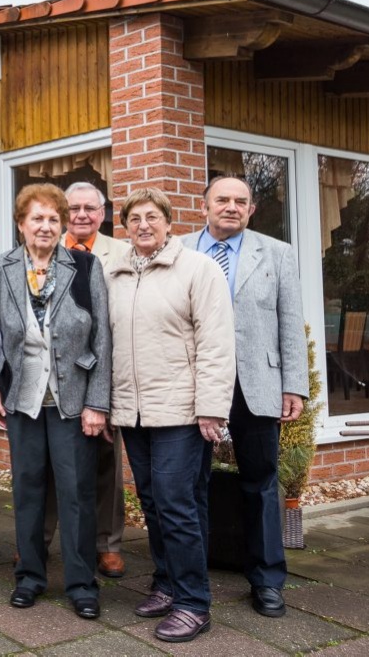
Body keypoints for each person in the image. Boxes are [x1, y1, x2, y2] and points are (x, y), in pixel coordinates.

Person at [0, 183, 112, 621]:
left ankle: (82, 584)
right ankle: (29, 577)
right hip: (23, 400)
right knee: (27, 493)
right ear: (21, 224)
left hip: (73, 401)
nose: (45, 226)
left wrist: (97, 403)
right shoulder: (0, 268)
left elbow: (103, 338)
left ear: (62, 224)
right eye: (37, 219)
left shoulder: (85, 266)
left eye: (53, 219)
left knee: (76, 495)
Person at [107, 187, 235, 643]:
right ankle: (166, 584)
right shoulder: (115, 272)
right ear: (124, 226)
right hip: (133, 412)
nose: (143, 225)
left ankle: (193, 603)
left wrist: (211, 409)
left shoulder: (198, 269)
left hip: (182, 411)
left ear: (168, 221)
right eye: (134, 218)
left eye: (152, 216)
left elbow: (217, 343)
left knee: (178, 504)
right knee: (154, 503)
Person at [183, 176, 307, 618]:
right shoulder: (178, 250)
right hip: (192, 385)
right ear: (204, 206)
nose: (231, 207)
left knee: (261, 482)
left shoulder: (277, 253)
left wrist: (295, 384)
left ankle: (268, 580)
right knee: (189, 483)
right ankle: (188, 581)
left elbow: (290, 321)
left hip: (256, 384)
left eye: (241, 201)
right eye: (223, 200)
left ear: (251, 209)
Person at [42, 181, 128, 578]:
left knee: (106, 463)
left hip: (107, 371)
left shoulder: (122, 253)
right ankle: (38, 541)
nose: (80, 215)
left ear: (103, 212)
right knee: (51, 465)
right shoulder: (43, 251)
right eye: (72, 208)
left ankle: (106, 545)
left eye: (89, 209)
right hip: (58, 376)